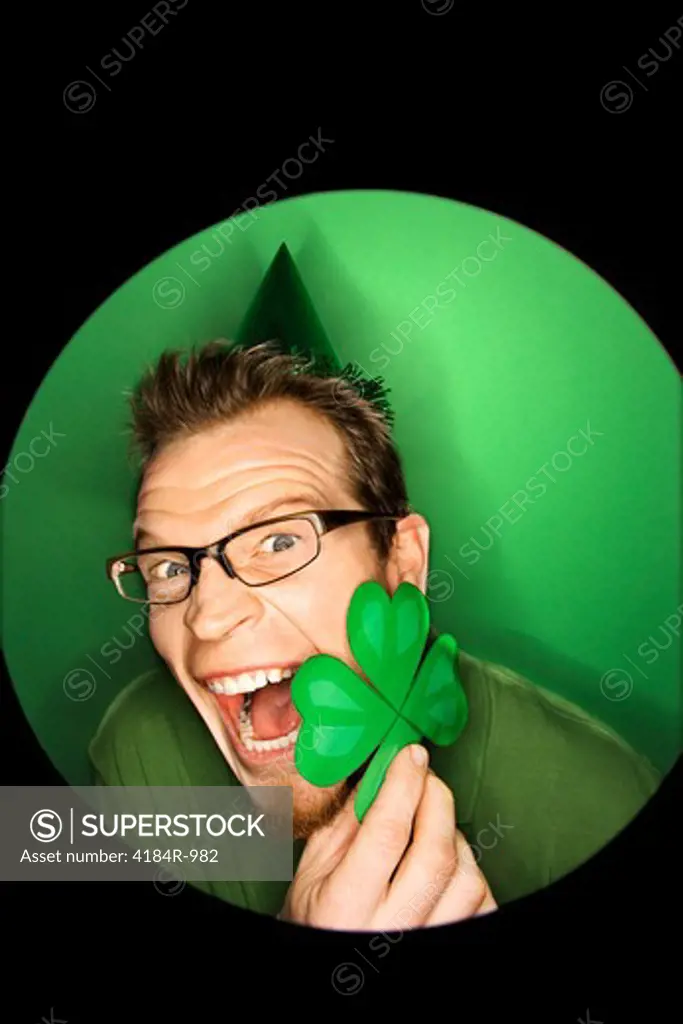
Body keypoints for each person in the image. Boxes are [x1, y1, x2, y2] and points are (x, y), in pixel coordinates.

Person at [90, 339, 660, 930]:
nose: (206, 616)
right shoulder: (133, 750)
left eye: (279, 541)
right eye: (171, 567)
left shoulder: (606, 800)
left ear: (402, 561)